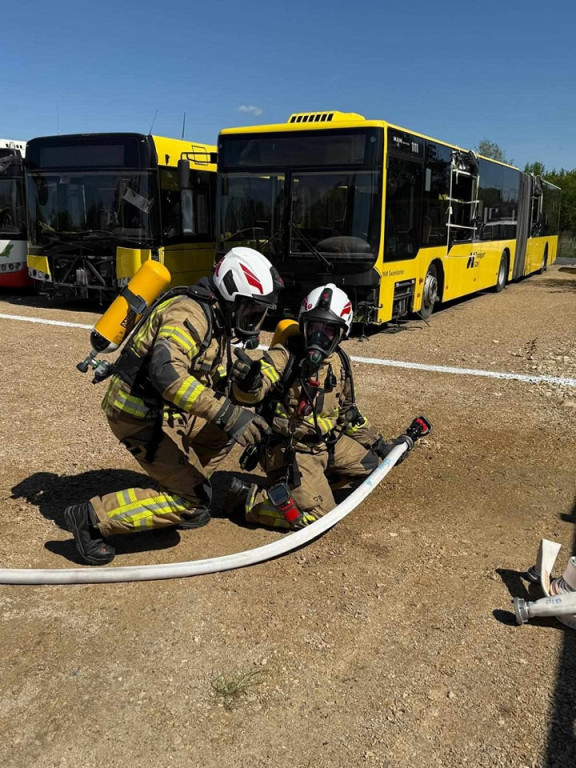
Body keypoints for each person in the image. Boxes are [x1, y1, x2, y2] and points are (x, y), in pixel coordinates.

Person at [64, 247, 283, 565]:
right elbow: (166, 374)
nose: (254, 320)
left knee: (226, 427)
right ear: (231, 295)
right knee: (193, 504)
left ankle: (181, 483)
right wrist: (228, 413)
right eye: (251, 310)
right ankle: (90, 518)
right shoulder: (189, 314)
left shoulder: (215, 317)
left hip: (168, 412)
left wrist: (245, 384)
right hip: (138, 417)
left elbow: (211, 375)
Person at [224, 283, 413, 530]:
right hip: (291, 449)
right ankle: (248, 501)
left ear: (341, 334)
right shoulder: (286, 354)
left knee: (369, 466)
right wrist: (249, 383)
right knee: (320, 517)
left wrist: (379, 445)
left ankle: (308, 487)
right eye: (314, 327)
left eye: (328, 331)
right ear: (303, 325)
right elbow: (256, 387)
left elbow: (347, 414)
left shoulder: (340, 362)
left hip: (326, 444)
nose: (319, 338)